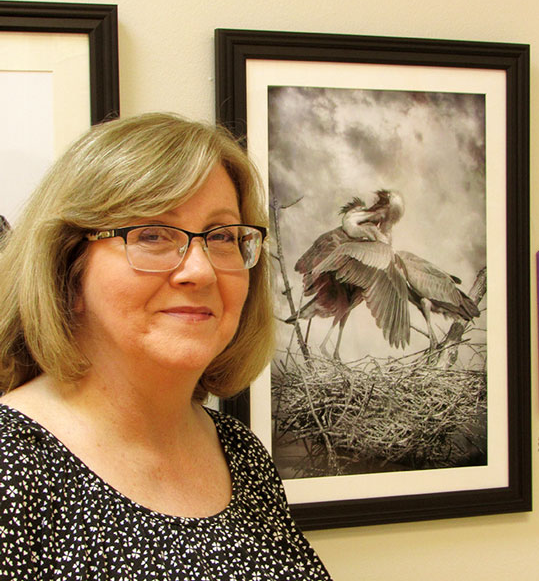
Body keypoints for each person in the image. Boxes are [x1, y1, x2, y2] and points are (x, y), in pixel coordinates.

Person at [0, 113, 332, 580]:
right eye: (152, 234)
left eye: (221, 237)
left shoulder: (239, 452)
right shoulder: (12, 466)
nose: (201, 270)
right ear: (68, 270)